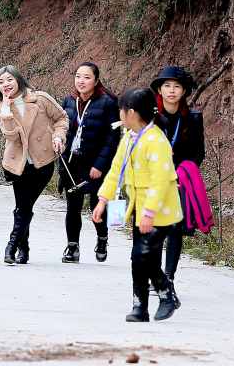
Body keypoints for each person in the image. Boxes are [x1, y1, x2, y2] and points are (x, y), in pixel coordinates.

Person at [92, 87, 182, 322]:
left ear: (131, 113)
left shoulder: (156, 139)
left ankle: (165, 293)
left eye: (121, 110)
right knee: (137, 257)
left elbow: (161, 180)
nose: (119, 114)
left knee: (143, 255)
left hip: (159, 211)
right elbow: (114, 171)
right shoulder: (130, 137)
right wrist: (103, 200)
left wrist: (149, 213)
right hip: (139, 209)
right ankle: (139, 306)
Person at [0, 65, 68, 264]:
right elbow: (10, 135)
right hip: (17, 163)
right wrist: (8, 110)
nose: (5, 84)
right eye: (0, 82)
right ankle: (23, 250)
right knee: (21, 206)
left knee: (25, 204)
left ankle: (11, 246)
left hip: (42, 162)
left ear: (18, 79)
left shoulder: (40, 98)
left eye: (9, 79)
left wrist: (59, 137)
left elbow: (61, 117)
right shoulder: (1, 107)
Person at [151, 65, 204, 304]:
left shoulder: (193, 117)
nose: (171, 91)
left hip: (180, 181)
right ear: (159, 90)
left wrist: (182, 174)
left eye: (177, 86)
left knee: (174, 228)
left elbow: (197, 152)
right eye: (167, 86)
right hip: (153, 179)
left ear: (184, 91)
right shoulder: (150, 117)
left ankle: (168, 278)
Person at [59, 62, 120, 263]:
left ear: (96, 80)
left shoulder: (107, 103)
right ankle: (72, 248)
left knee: (97, 204)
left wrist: (100, 166)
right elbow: (61, 128)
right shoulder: (69, 101)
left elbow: (112, 138)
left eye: (86, 77)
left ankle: (102, 239)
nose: (81, 81)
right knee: (72, 207)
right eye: (78, 76)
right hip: (72, 163)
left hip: (95, 164)